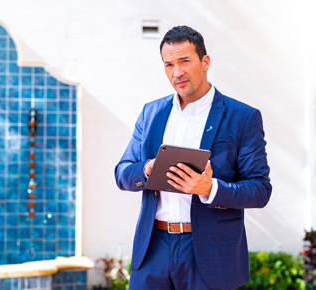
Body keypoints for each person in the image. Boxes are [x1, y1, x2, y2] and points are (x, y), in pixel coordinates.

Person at [115, 25, 272, 290]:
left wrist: (211, 189)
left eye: (185, 61)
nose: (177, 73)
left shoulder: (242, 117)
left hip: (210, 254)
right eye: (169, 65)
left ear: (205, 62)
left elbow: (260, 189)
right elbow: (122, 173)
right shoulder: (151, 113)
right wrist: (147, 169)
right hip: (153, 249)